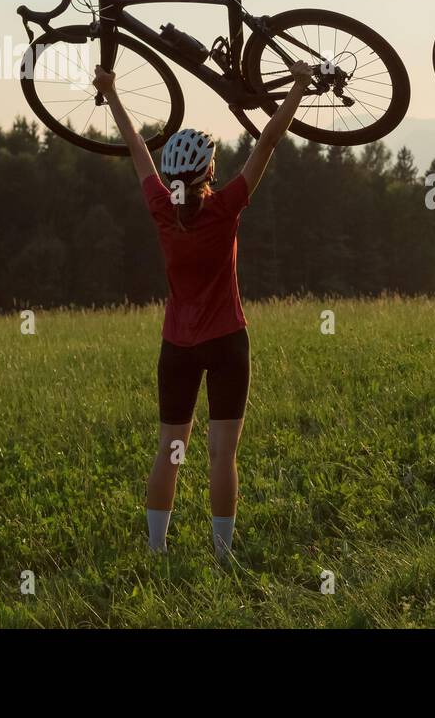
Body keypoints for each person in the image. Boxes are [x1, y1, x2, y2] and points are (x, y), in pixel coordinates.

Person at [93, 59, 314, 559]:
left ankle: (156, 551)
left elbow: (135, 147)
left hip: (178, 347)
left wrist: (111, 93)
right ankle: (221, 554)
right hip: (227, 341)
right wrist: (298, 86)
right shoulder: (225, 206)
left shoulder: (158, 207)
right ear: (209, 173)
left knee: (171, 451)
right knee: (221, 453)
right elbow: (268, 143)